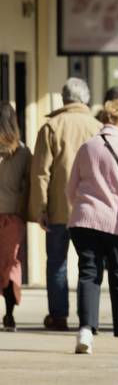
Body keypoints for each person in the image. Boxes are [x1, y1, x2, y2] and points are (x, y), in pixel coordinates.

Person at [66, 100, 118, 355]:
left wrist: (84, 206)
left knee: (88, 274)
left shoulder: (86, 147)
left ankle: (85, 332)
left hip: (84, 221)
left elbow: (71, 188)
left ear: (104, 120)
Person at [29, 77, 103, 331]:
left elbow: (41, 173)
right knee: (89, 265)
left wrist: (40, 208)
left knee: (56, 262)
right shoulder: (98, 127)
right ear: (86, 99)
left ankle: (58, 316)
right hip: (90, 210)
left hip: (58, 209)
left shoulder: (51, 127)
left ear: (63, 99)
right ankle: (88, 319)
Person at [0, 102, 31, 332]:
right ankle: (9, 314)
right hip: (14, 217)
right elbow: (28, 184)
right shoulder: (23, 152)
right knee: (11, 263)